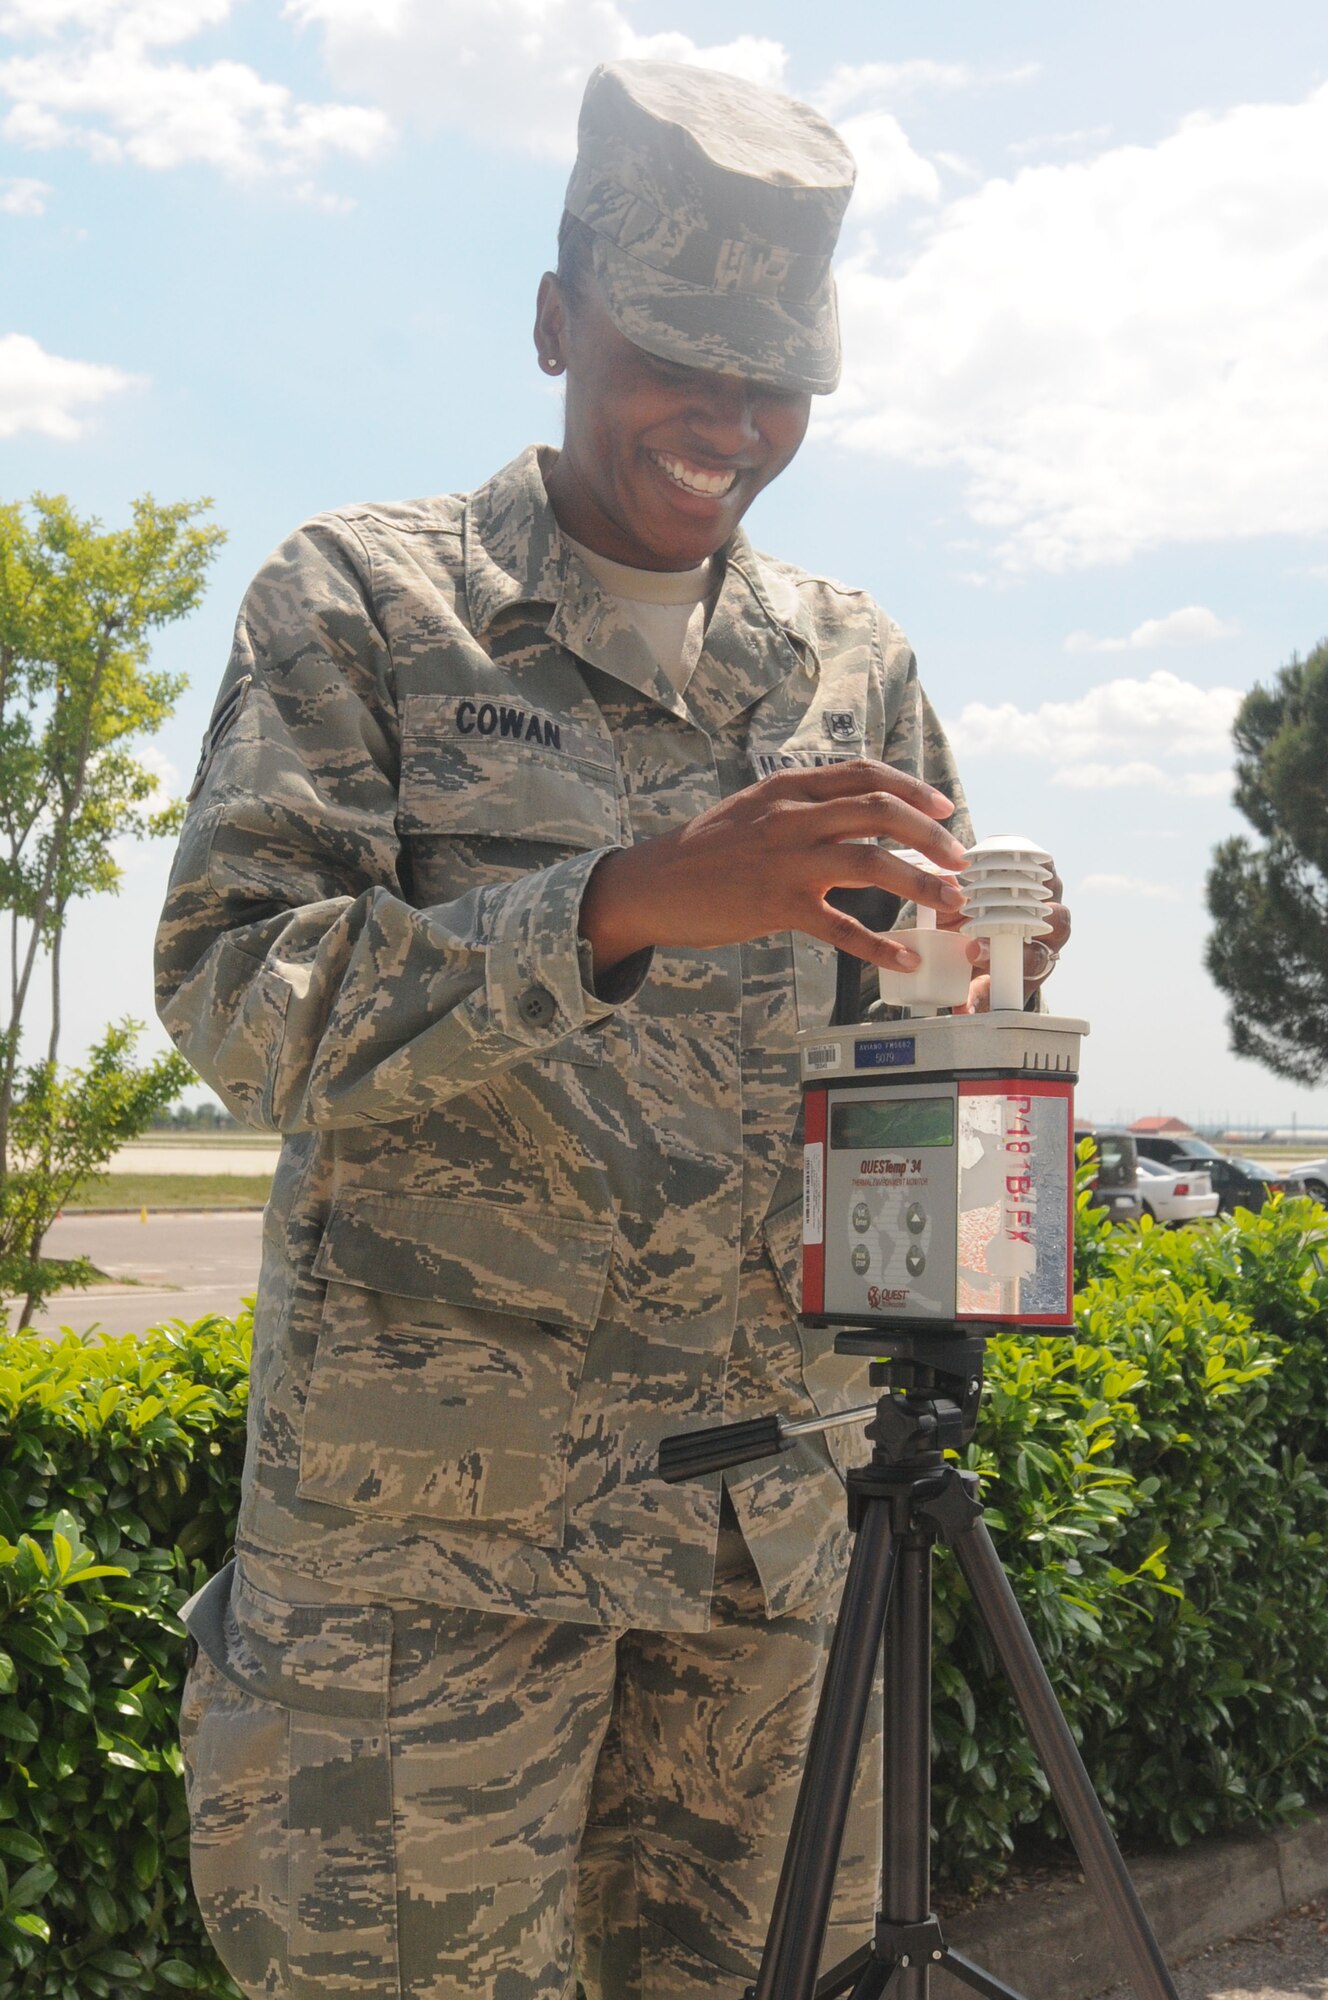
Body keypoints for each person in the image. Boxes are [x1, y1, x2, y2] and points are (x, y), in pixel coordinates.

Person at [156, 58, 1070, 2000]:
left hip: (762, 1575)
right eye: (681, 353)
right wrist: (623, 903)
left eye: (775, 378)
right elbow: (242, 994)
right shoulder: (359, 610)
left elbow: (885, 1088)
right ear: (559, 315)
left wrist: (972, 1010)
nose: (728, 421)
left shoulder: (855, 669)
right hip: (424, 1590)